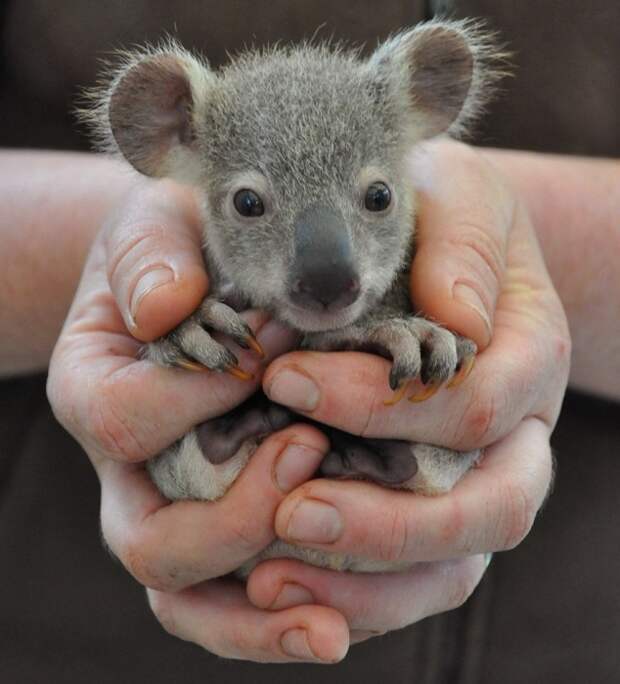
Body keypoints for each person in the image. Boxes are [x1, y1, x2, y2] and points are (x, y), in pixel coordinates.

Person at [1, 1, 618, 682]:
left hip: (565, 622)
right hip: (81, 612)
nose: (327, 272)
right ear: (168, 130)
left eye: (377, 199)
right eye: (250, 203)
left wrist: (493, 261)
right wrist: (142, 280)